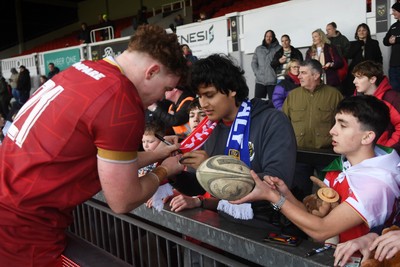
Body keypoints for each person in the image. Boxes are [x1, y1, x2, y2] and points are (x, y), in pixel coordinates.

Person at [0, 24, 187, 267]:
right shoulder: (121, 98)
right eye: (166, 89)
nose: (162, 98)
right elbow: (123, 199)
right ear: (151, 71)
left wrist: (158, 154)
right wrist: (165, 170)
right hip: (22, 231)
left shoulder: (82, 69)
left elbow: (101, 161)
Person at [232, 95, 400, 245]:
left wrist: (272, 197)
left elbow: (321, 231)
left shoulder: (377, 183)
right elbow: (314, 218)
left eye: (343, 125)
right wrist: (284, 193)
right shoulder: (341, 167)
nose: (332, 131)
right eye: (335, 123)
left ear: (367, 137)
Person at [170, 54, 297, 232]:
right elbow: (196, 185)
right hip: (223, 221)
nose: (203, 104)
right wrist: (172, 170)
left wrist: (210, 168)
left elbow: (276, 182)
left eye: (209, 95)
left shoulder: (272, 120)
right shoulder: (209, 128)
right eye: (199, 96)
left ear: (232, 90)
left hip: (267, 226)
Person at [282, 59, 343, 200]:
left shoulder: (334, 95)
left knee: (330, 195)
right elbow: (283, 123)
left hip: (326, 155)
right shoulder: (293, 96)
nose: (299, 76)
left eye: (303, 73)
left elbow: (344, 124)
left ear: (316, 75)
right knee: (299, 194)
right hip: (299, 154)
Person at [353, 60, 400, 152]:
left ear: (372, 79)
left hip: (384, 155)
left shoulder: (391, 98)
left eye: (359, 77)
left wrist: (386, 149)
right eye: (354, 77)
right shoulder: (356, 99)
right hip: (361, 153)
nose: (354, 81)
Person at [344, 23, 383, 97]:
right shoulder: (353, 44)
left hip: (370, 71)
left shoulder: (374, 43)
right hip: (356, 72)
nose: (361, 32)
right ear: (357, 33)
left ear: (367, 32)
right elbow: (349, 55)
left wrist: (379, 69)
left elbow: (379, 57)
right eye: (359, 31)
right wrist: (360, 44)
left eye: (364, 30)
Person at [251, 30, 282, 100]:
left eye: (270, 36)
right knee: (257, 103)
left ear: (273, 37)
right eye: (267, 36)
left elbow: (281, 63)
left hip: (273, 81)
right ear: (264, 37)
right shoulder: (258, 49)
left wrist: (277, 74)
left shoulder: (279, 48)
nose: (268, 38)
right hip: (260, 81)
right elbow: (253, 62)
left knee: (274, 103)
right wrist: (256, 72)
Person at [383, 2, 400, 92]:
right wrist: (389, 41)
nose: (392, 13)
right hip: (394, 65)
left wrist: (396, 40)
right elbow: (385, 41)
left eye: (394, 10)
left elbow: (396, 40)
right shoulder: (394, 26)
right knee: (395, 91)